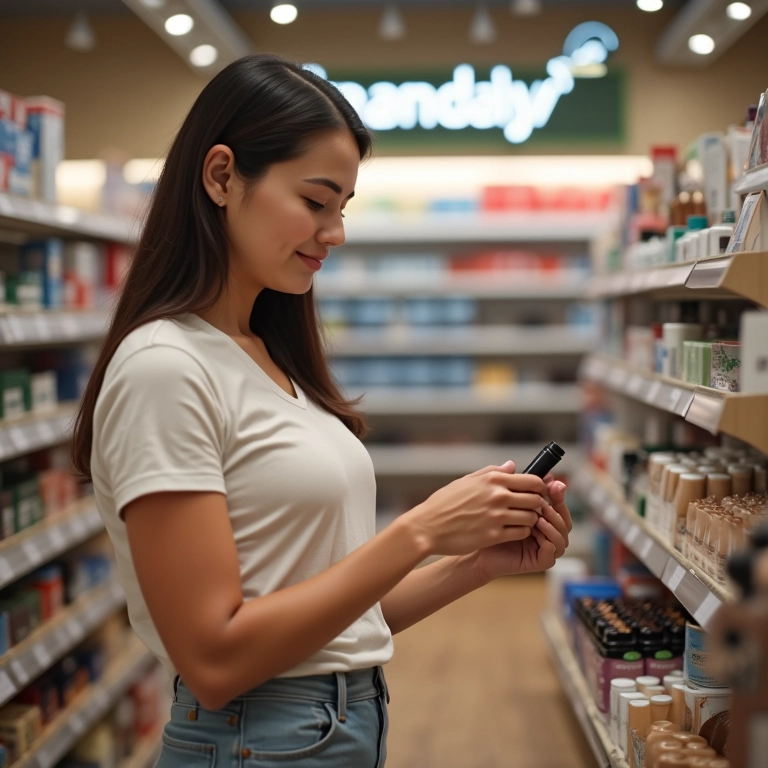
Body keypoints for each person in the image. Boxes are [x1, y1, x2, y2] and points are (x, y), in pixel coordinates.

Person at [72, 54, 572, 768]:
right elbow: (215, 657)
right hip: (257, 739)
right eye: (315, 201)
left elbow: (333, 625)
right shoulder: (164, 368)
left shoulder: (266, 357)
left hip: (337, 724)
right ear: (221, 177)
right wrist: (423, 530)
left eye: (343, 208)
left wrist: (477, 564)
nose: (333, 232)